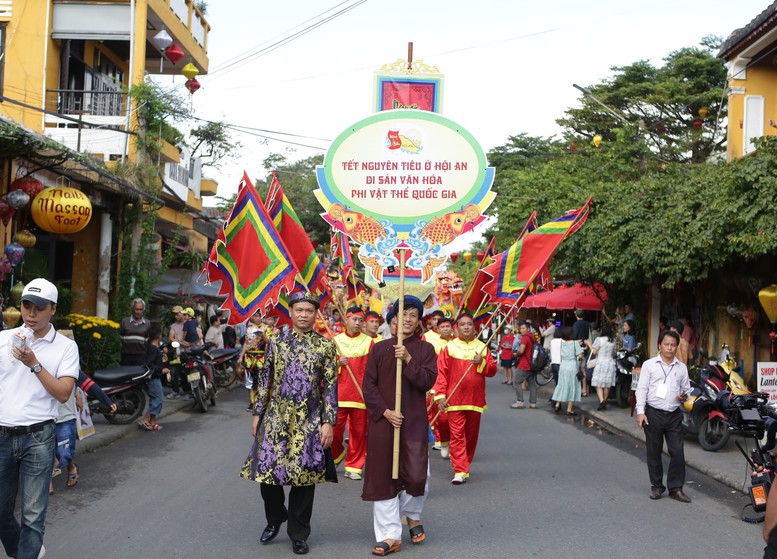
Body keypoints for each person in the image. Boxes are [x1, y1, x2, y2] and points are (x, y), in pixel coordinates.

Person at [240, 291, 337, 556]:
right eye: (299, 310)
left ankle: (298, 533)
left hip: (309, 417)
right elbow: (265, 379)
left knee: (304, 477)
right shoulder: (275, 341)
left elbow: (330, 386)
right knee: (267, 473)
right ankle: (275, 517)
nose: (304, 315)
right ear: (291, 312)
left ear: (315, 314)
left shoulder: (325, 346)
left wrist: (328, 422)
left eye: (309, 310)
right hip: (275, 415)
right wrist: (257, 412)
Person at [0, 278, 80, 559]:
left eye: (40, 307)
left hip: (38, 437)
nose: (32, 314)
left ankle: (28, 552)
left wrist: (34, 363)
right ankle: (25, 551)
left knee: (33, 516)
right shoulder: (3, 340)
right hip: (2, 435)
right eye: (27, 306)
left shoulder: (66, 347)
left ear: (53, 310)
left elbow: (63, 393)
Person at [362, 295, 437, 556]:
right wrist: (384, 411)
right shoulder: (380, 349)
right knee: (384, 479)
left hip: (414, 422)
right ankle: (389, 535)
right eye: (402, 315)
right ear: (393, 320)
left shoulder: (425, 350)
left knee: (418, 476)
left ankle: (411, 514)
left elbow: (427, 381)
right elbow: (368, 386)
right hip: (384, 423)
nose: (407, 319)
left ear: (418, 321)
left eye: (413, 315)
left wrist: (407, 359)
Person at [434, 314, 496, 484]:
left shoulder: (482, 347)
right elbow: (441, 373)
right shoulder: (449, 347)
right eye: (463, 324)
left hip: (475, 400)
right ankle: (460, 470)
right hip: (454, 400)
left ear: (475, 328)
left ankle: (464, 463)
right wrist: (440, 395)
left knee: (471, 435)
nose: (466, 327)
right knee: (457, 435)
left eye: (469, 324)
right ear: (457, 328)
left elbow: (492, 371)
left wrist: (481, 361)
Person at [635, 330, 691, 503]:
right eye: (666, 344)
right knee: (654, 452)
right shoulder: (649, 365)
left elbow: (687, 390)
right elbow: (642, 389)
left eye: (673, 345)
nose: (669, 348)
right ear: (659, 345)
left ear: (676, 347)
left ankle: (676, 488)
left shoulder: (681, 368)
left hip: (674, 414)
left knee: (678, 452)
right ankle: (657, 487)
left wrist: (684, 396)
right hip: (653, 413)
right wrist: (640, 412)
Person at [331, 307, 374, 481]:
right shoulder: (335, 340)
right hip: (338, 394)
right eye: (354, 319)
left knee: (358, 432)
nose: (357, 323)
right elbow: (323, 367)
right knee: (333, 431)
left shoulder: (369, 341)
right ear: (346, 320)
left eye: (360, 320)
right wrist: (337, 362)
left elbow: (373, 369)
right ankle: (336, 454)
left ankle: (355, 466)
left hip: (360, 395)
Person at [425, 317, 453, 457]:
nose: (446, 329)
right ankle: (444, 441)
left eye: (448, 326)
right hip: (437, 381)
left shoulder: (456, 342)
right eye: (443, 327)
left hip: (454, 384)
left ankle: (455, 445)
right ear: (438, 328)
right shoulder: (429, 339)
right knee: (441, 417)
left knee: (453, 417)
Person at [138, 326, 167, 431]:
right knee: (158, 399)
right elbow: (149, 364)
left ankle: (153, 422)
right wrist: (161, 370)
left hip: (155, 377)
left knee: (154, 399)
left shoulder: (153, 348)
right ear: (159, 336)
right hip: (153, 378)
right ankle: (145, 420)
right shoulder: (153, 349)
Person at [240, 311, 268, 412]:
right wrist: (241, 356)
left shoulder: (265, 328)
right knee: (249, 381)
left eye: (258, 316)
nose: (256, 318)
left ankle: (261, 403)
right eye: (254, 316)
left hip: (261, 356)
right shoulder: (249, 329)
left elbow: (269, 342)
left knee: (261, 380)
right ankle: (252, 403)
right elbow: (246, 344)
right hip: (249, 357)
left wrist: (262, 335)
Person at [551, 327, 583, 415]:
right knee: (572, 386)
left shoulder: (562, 344)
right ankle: (569, 409)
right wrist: (581, 357)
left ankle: (557, 404)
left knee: (562, 384)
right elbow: (580, 356)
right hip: (572, 366)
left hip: (563, 366)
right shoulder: (575, 343)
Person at [585, 323, 617, 411]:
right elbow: (614, 353)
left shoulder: (599, 339)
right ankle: (604, 401)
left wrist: (588, 344)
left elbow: (594, 352)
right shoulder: (613, 340)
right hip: (610, 363)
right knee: (607, 384)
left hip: (601, 363)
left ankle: (602, 401)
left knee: (598, 383)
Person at [511, 322, 536, 409]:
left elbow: (521, 351)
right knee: (532, 383)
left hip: (524, 364)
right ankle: (533, 403)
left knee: (516, 381)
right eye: (520, 328)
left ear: (528, 329)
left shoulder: (525, 338)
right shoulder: (532, 337)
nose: (521, 330)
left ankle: (520, 401)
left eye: (523, 328)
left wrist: (516, 354)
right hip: (532, 364)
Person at [119, 297, 150, 366]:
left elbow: (148, 340)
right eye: (136, 309)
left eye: (140, 309)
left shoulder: (147, 323)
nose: (138, 312)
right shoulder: (124, 322)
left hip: (141, 356)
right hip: (126, 356)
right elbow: (120, 338)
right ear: (132, 309)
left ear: (143, 310)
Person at [572, 310, 591, 396]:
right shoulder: (587, 324)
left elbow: (574, 336)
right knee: (583, 369)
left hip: (577, 349)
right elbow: (589, 336)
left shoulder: (576, 324)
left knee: (576, 370)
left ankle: (577, 389)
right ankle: (584, 389)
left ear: (576, 315)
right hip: (585, 348)